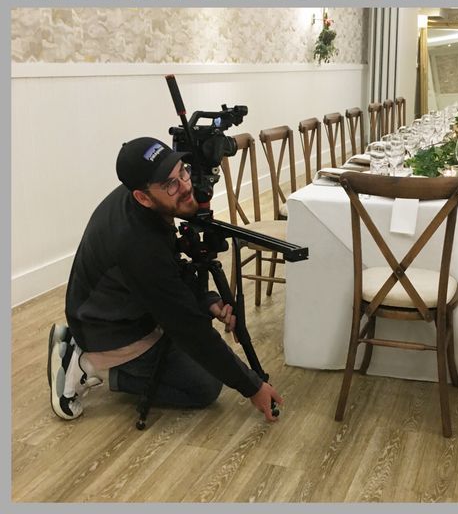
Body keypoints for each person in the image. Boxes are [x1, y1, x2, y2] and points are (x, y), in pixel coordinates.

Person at [48, 136, 283, 422]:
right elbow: (188, 327)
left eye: (182, 171)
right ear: (143, 197)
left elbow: (172, 272)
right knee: (204, 387)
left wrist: (208, 301)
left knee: (203, 356)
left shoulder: (142, 201)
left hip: (126, 305)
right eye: (171, 184)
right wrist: (253, 387)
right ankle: (87, 364)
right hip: (109, 327)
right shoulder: (138, 245)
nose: (185, 186)